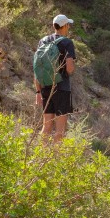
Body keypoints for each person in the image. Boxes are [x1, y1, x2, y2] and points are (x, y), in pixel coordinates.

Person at [34, 14, 76, 144]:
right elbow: (69, 69)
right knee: (60, 130)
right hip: (62, 88)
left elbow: (37, 68)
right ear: (65, 26)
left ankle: (40, 155)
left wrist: (38, 92)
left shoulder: (43, 41)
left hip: (46, 87)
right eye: (68, 24)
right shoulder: (67, 43)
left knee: (46, 127)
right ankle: (55, 160)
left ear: (53, 26)